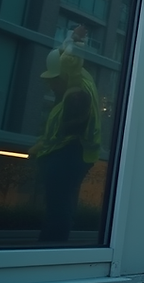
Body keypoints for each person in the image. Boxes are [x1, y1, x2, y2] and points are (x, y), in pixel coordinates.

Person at [30, 25, 101, 242]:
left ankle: (50, 249)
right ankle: (53, 247)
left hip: (67, 153)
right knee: (62, 205)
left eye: (52, 79)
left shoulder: (76, 91)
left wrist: (76, 42)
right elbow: (68, 60)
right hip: (75, 153)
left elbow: (71, 63)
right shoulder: (81, 83)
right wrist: (70, 41)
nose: (49, 84)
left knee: (58, 206)